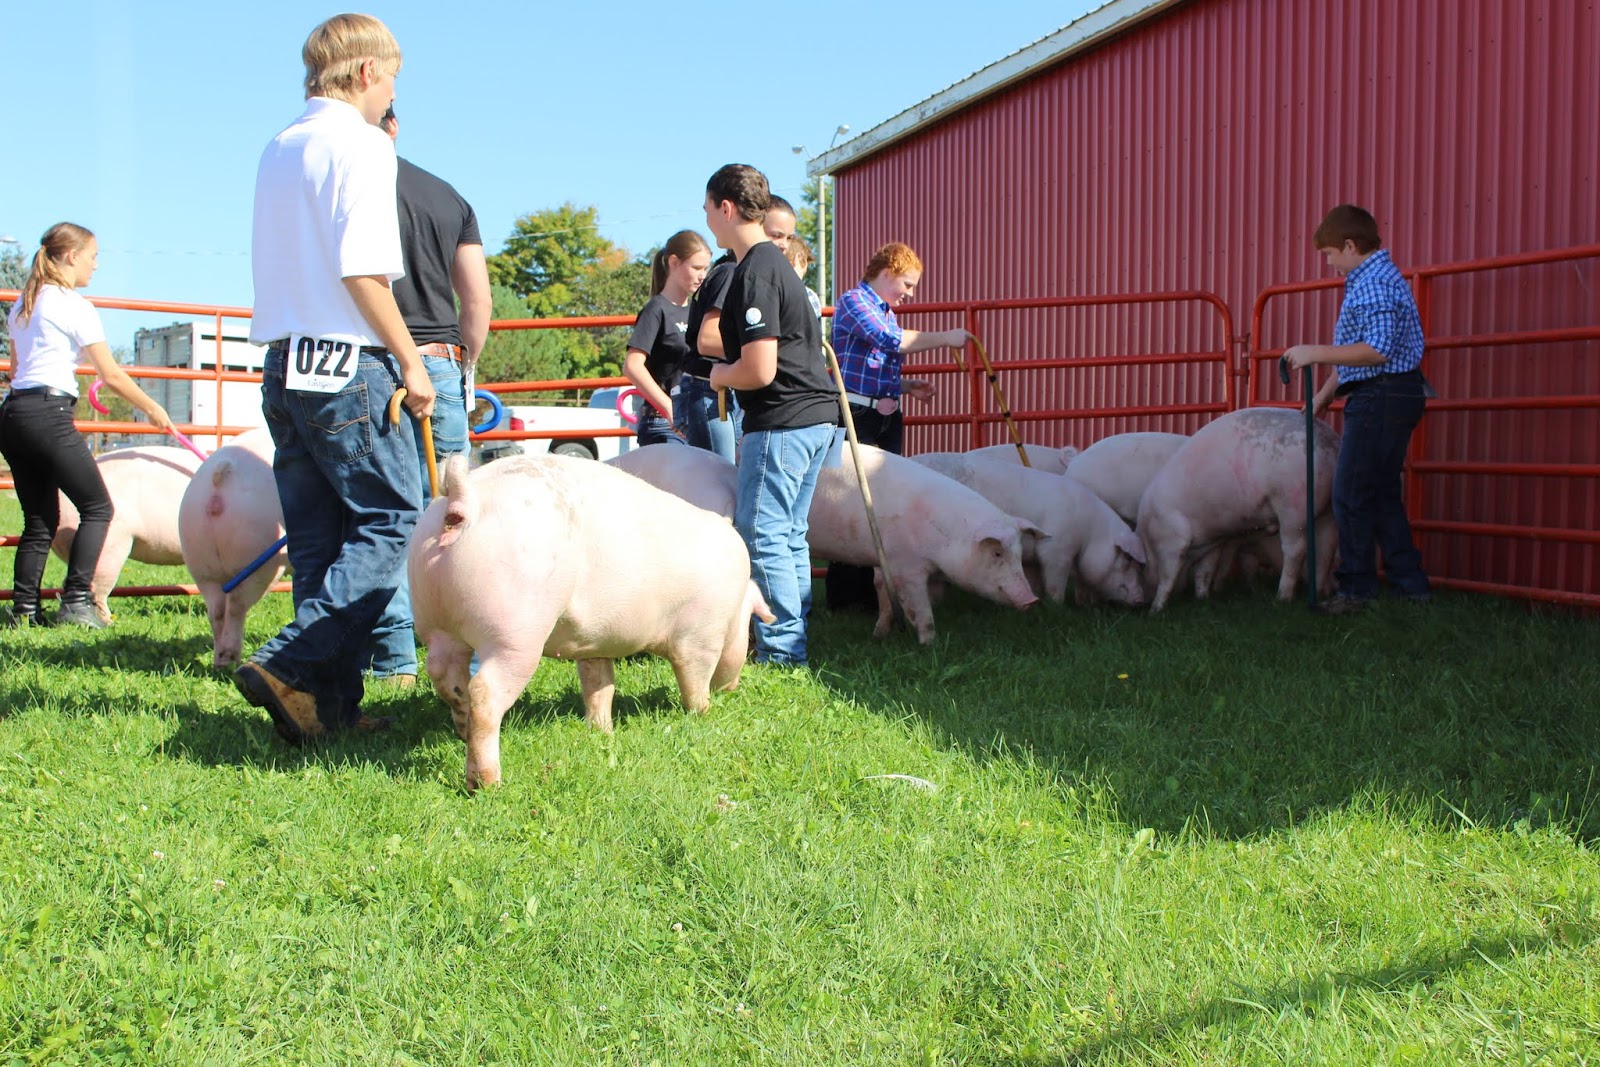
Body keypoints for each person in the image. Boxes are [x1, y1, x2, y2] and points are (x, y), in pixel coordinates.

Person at [237, 13, 436, 744]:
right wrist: (412, 362)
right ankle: (289, 661)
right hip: (349, 361)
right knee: (390, 520)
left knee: (320, 539)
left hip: (285, 361)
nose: (390, 97)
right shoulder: (362, 144)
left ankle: (325, 704)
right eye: (388, 80)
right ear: (362, 73)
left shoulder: (278, 146)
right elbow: (362, 271)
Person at [365, 105, 493, 685]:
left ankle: (393, 661)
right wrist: (463, 363)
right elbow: (478, 302)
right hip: (439, 363)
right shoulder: (447, 197)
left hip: (366, 361)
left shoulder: (346, 186)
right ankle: (462, 644)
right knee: (447, 512)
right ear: (396, 125)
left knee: (382, 512)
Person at [0, 223, 175, 628]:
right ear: (71, 256)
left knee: (38, 521)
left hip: (14, 414)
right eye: (93, 257)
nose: (95, 266)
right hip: (48, 413)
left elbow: (15, 368)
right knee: (99, 507)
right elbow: (110, 374)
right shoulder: (73, 305)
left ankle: (25, 610)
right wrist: (153, 409)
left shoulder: (23, 304)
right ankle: (77, 601)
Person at [704, 166, 837, 666]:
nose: (707, 218)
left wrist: (720, 375)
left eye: (707, 207)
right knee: (788, 533)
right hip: (815, 417)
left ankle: (782, 652)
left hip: (785, 420)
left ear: (726, 208)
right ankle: (793, 636)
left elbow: (759, 370)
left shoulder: (756, 270)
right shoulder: (773, 265)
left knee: (762, 533)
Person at [1283, 203, 1431, 614]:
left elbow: (1376, 350)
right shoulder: (1378, 278)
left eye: (1330, 254)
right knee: (1380, 493)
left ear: (1350, 245)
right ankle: (1410, 587)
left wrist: (1314, 352)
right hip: (1392, 393)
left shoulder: (1373, 283)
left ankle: (1356, 591)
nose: (1330, 263)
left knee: (1349, 493)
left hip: (1380, 397)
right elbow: (1363, 352)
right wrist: (1327, 394)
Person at [825, 241, 971, 610]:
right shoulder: (854, 301)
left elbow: (872, 360)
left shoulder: (885, 311)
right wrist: (944, 338)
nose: (910, 293)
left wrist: (905, 386)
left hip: (883, 414)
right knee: (853, 499)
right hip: (857, 414)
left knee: (882, 500)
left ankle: (878, 594)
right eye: (907, 284)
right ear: (887, 272)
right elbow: (888, 341)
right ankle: (847, 598)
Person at [678, 196, 799, 459]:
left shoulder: (750, 271)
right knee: (719, 477)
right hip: (710, 390)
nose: (783, 245)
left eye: (789, 238)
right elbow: (707, 339)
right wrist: (764, 351)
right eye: (776, 235)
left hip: (725, 386)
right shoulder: (733, 271)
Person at [622, 230, 711, 446]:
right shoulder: (656, 309)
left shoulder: (699, 309)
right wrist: (669, 407)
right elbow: (632, 365)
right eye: (696, 268)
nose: (703, 276)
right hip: (661, 423)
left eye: (706, 269)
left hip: (696, 419)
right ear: (674, 262)